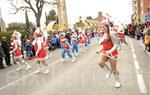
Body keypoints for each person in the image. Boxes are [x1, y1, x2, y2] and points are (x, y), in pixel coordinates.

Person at [97, 19, 121, 88]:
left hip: (112, 53)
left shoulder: (111, 34)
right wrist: (99, 50)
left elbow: (115, 45)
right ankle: (108, 71)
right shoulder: (103, 35)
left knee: (114, 69)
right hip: (105, 52)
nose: (103, 28)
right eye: (101, 27)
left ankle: (117, 81)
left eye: (104, 26)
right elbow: (103, 45)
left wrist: (109, 52)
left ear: (107, 27)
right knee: (100, 63)